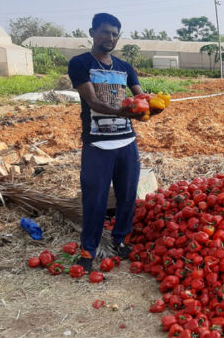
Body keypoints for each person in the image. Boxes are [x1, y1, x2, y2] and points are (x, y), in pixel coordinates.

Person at [68, 13, 157, 272]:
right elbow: (93, 102)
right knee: (94, 200)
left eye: (115, 34)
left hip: (126, 143)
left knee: (127, 197)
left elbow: (141, 98)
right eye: (105, 32)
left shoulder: (125, 67)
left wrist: (152, 108)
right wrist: (123, 112)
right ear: (92, 32)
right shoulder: (80, 63)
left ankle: (120, 240)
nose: (110, 38)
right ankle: (88, 249)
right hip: (97, 144)